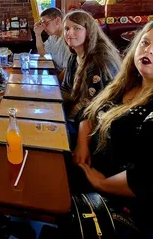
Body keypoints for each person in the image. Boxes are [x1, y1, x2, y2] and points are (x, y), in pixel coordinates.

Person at [73, 21, 153, 236]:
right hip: (87, 162)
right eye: (145, 42)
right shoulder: (127, 83)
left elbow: (146, 178)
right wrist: (82, 144)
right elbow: (88, 110)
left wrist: (101, 184)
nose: (149, 50)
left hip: (116, 198)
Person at [60, 10, 121, 138]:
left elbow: (93, 107)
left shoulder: (99, 63)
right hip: (77, 117)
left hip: (96, 129)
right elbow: (66, 89)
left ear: (89, 32)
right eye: (66, 28)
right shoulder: (73, 57)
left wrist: (82, 143)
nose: (69, 33)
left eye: (77, 28)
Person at [33, 7, 71, 72]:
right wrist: (38, 34)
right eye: (42, 24)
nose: (44, 27)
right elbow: (42, 52)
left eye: (46, 23)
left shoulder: (69, 40)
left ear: (57, 21)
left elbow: (66, 72)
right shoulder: (53, 36)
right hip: (54, 71)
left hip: (61, 79)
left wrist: (54, 81)